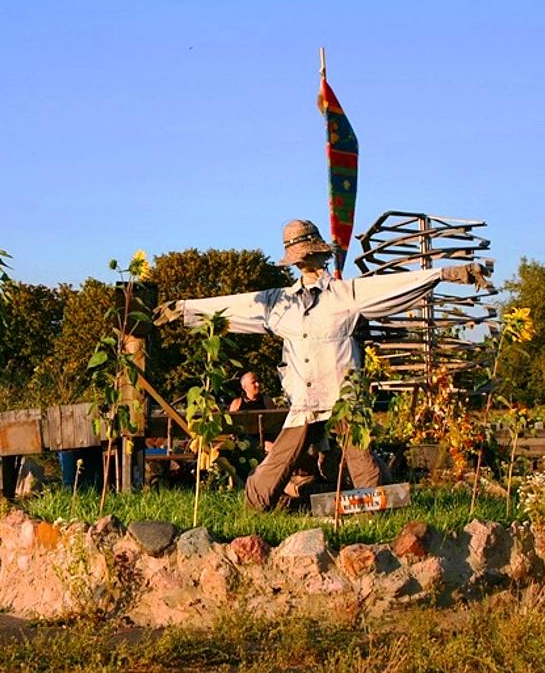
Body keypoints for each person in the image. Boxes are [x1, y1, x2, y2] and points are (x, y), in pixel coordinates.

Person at [155, 218, 491, 511]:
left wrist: (447, 273)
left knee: (359, 455)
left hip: (342, 394)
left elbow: (393, 286)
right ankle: (254, 506)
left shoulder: (345, 295)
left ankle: (383, 508)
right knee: (283, 458)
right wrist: (184, 309)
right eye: (300, 259)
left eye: (308, 257)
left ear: (319, 254)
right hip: (304, 397)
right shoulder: (279, 303)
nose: (306, 264)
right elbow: (237, 306)